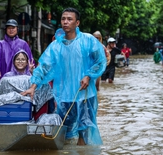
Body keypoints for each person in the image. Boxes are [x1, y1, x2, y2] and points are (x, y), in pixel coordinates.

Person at [21, 7, 106, 145]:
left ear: (77, 23)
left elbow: (100, 60)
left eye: (69, 19)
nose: (65, 22)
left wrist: (89, 76)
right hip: (64, 96)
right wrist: (33, 86)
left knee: (84, 130)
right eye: (63, 19)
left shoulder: (88, 40)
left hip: (84, 93)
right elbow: (43, 67)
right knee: (64, 132)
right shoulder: (55, 46)